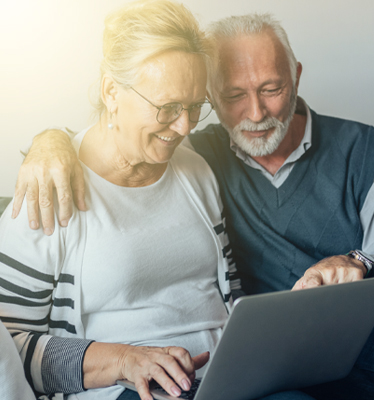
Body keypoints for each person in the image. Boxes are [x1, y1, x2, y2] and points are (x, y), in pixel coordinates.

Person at [10, 11, 374, 400]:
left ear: (295, 75)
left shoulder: (202, 166)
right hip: (173, 380)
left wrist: (361, 267)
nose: (254, 113)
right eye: (231, 96)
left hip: (280, 363)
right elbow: (7, 346)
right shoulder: (63, 182)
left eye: (271, 88)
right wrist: (49, 143)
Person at [0, 1, 251, 400]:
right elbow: (8, 350)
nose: (184, 126)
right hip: (127, 390)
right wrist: (123, 360)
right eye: (168, 107)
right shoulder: (49, 186)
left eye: (194, 107)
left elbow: (230, 292)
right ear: (111, 91)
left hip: (226, 379)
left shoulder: (196, 170)